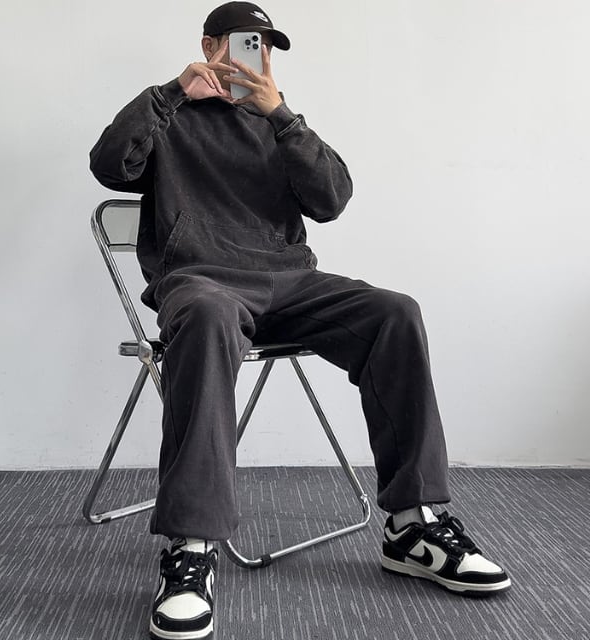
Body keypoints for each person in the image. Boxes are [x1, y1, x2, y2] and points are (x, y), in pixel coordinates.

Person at [90, 3, 511, 638]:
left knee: (395, 312)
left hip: (291, 284)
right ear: (209, 45)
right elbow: (108, 165)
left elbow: (333, 200)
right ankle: (191, 548)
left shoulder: (279, 124)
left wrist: (283, 117)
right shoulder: (168, 115)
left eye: (265, 46)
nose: (255, 56)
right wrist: (173, 90)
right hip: (202, 283)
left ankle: (413, 526)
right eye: (243, 42)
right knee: (205, 314)